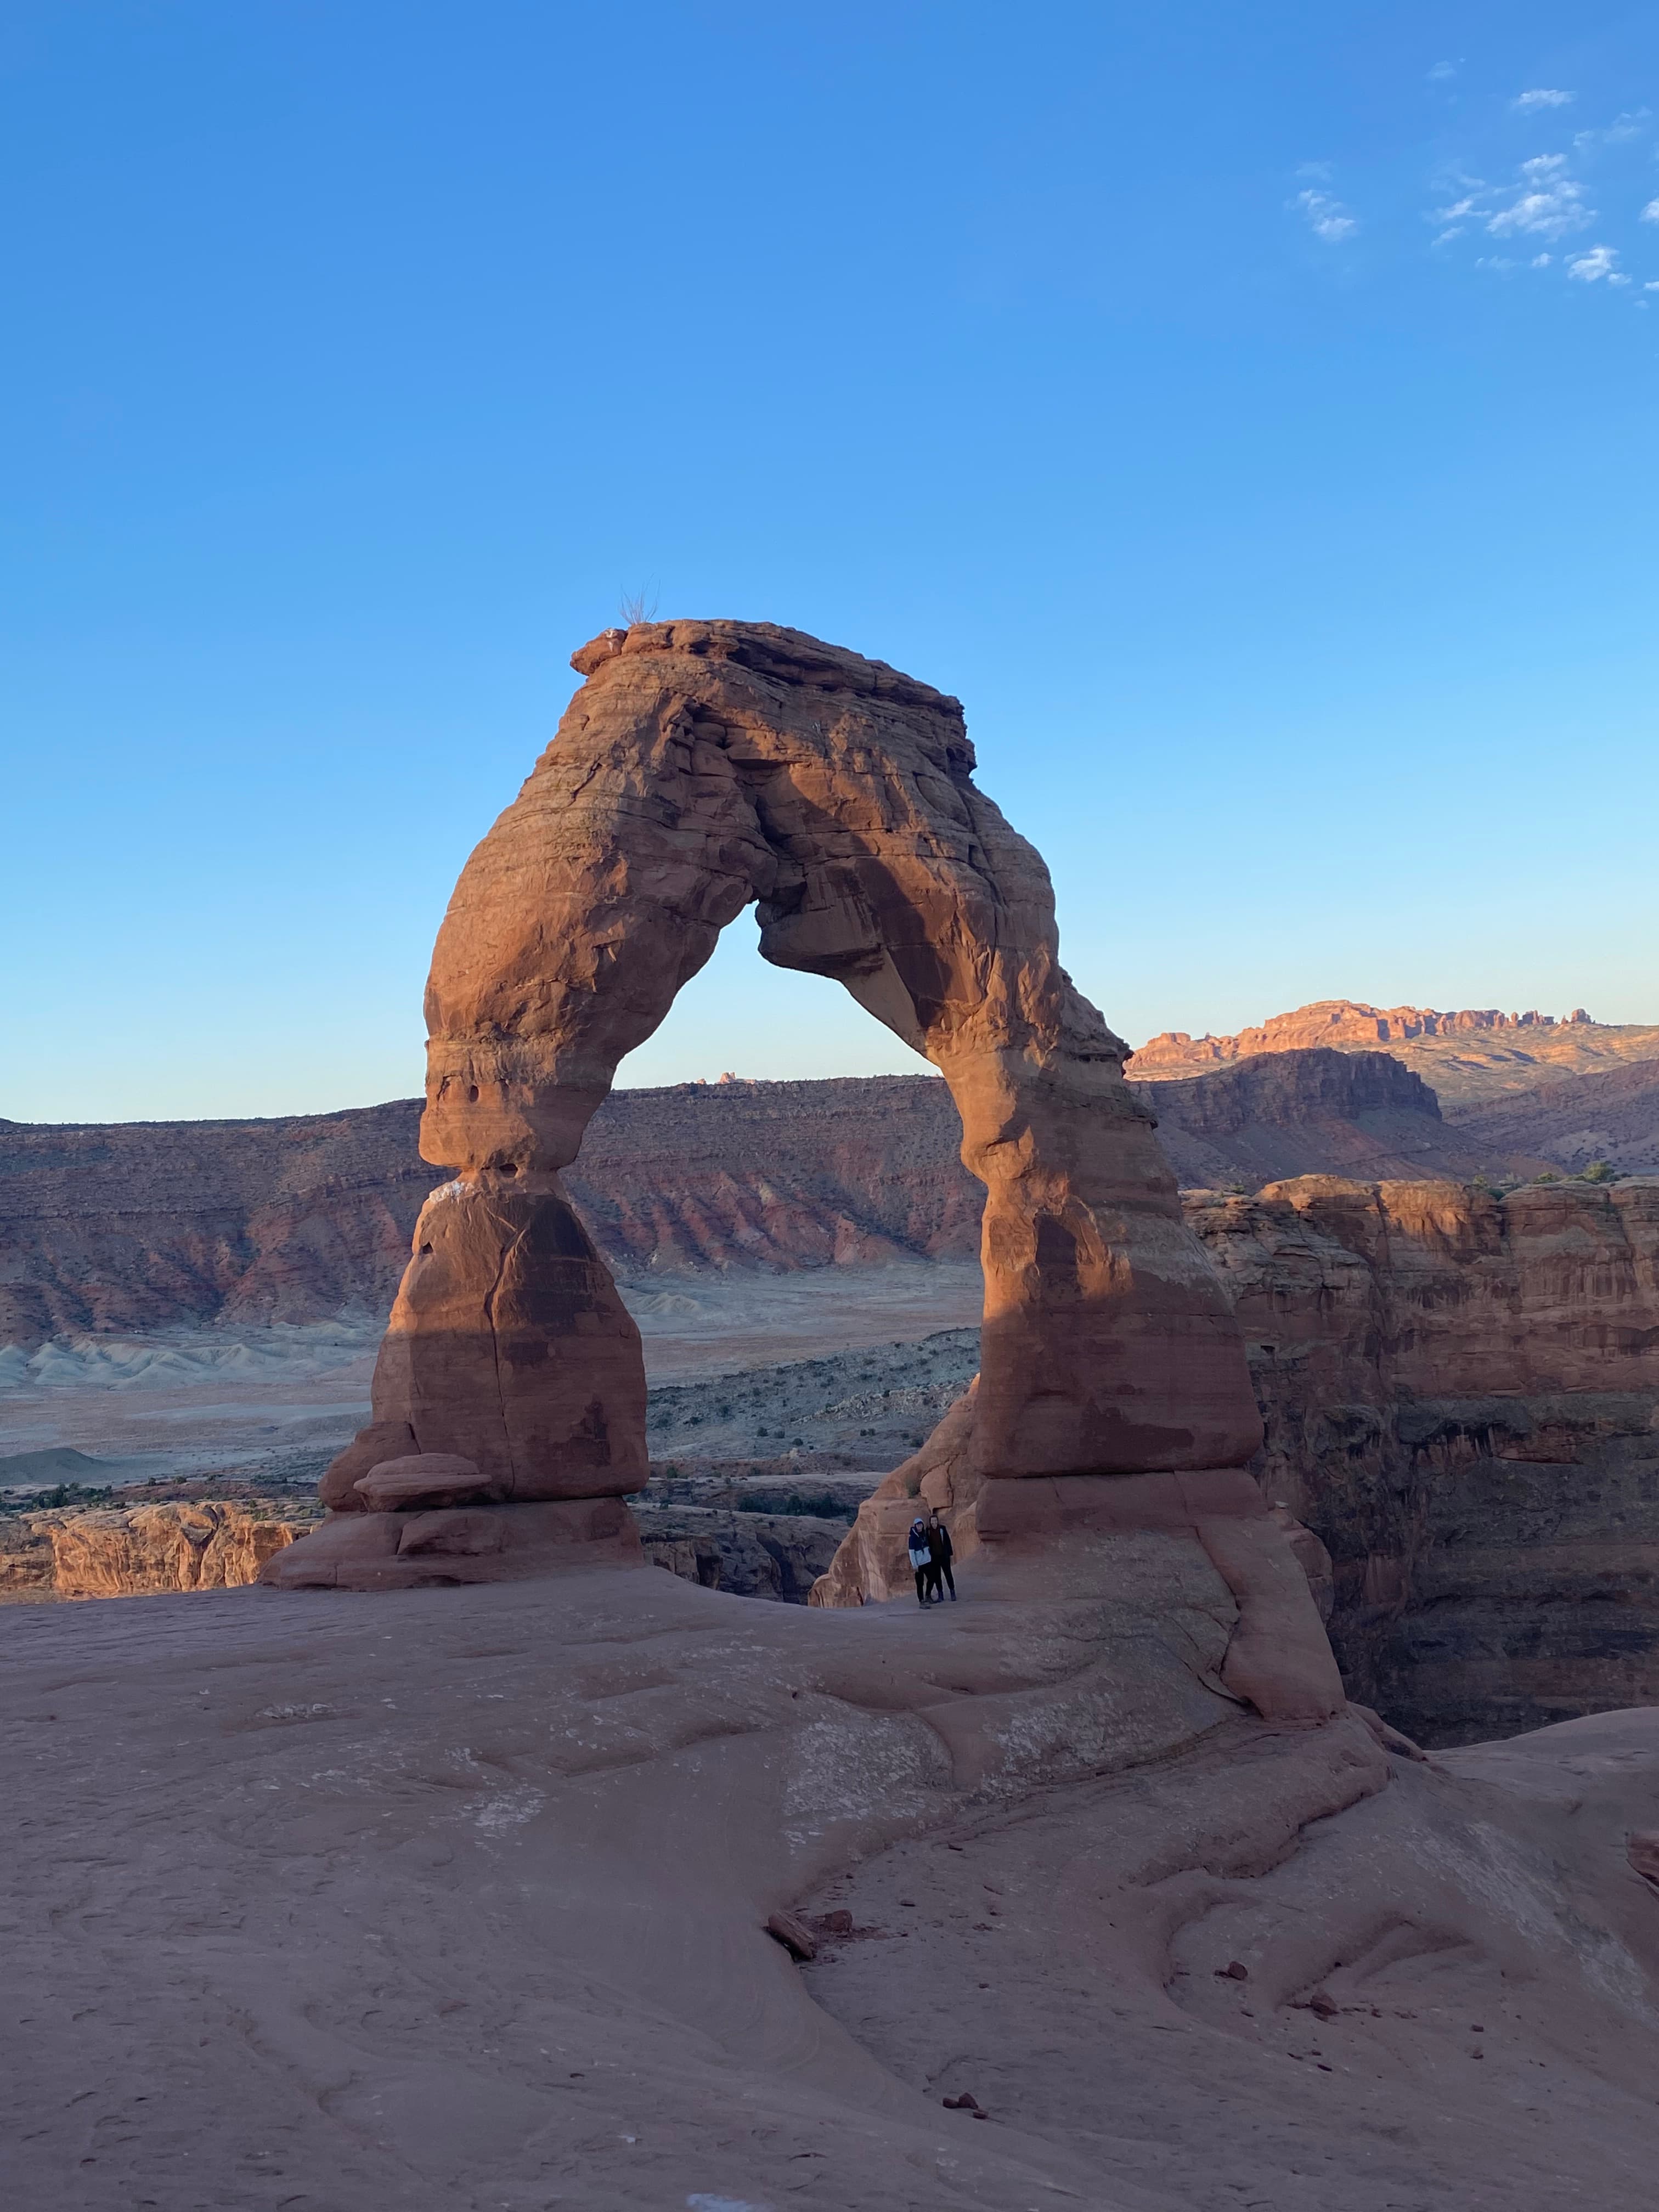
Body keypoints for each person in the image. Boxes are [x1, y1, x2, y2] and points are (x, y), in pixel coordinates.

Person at [926, 1509, 956, 1602]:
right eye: (932, 1521)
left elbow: (948, 1541)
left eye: (935, 1521)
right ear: (930, 1522)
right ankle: (941, 1594)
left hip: (944, 1556)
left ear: (937, 1521)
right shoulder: (928, 1531)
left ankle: (952, 1592)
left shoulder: (942, 1529)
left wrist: (950, 1554)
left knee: (948, 1574)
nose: (934, 1523)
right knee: (937, 1577)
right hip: (934, 1558)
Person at [907, 1516, 932, 1605]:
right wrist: (915, 1565)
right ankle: (921, 1600)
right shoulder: (913, 1537)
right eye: (918, 1525)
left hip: (927, 1562)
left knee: (932, 1579)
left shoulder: (924, 1534)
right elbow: (911, 1552)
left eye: (921, 1525)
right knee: (920, 1584)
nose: (919, 1526)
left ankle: (928, 1596)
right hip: (919, 1564)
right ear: (915, 1526)